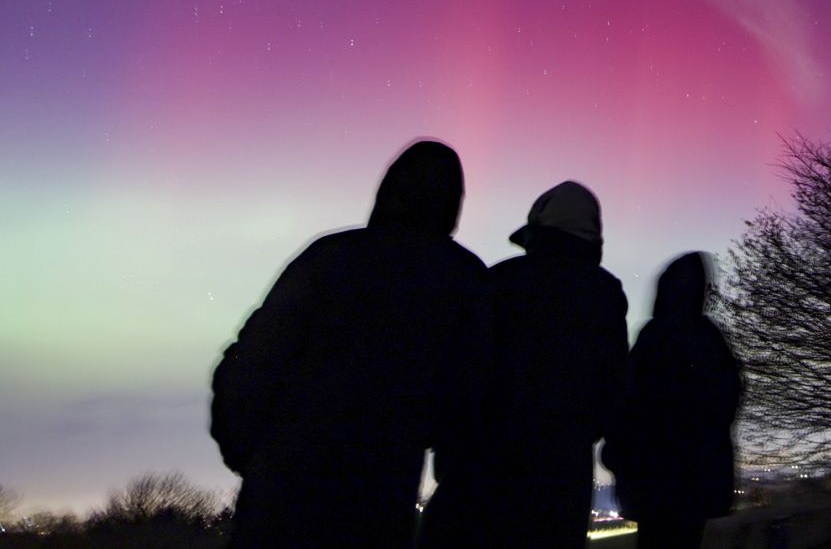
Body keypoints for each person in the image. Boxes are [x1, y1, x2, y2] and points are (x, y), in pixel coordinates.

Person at [210, 139, 489, 549]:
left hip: (281, 491)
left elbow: (251, 361)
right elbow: (469, 400)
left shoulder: (328, 257)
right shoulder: (465, 280)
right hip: (379, 499)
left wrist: (247, 452)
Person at [421, 181, 629, 549]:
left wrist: (450, 451)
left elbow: (460, 375)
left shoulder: (498, 281)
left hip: (480, 469)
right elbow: (613, 392)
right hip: (560, 478)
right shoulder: (605, 294)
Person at [602, 252, 743, 549]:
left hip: (654, 484)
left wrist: (616, 454)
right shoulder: (711, 342)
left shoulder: (654, 339)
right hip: (699, 486)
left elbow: (627, 403)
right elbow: (725, 405)